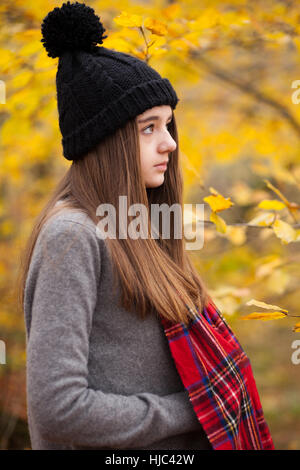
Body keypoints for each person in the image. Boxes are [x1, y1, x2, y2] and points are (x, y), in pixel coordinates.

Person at [18, 2, 274, 450]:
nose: (170, 143)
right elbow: (57, 408)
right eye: (148, 128)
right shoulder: (73, 236)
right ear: (108, 140)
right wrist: (194, 408)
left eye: (168, 125)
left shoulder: (137, 226)